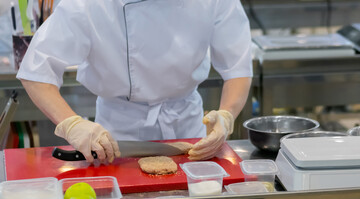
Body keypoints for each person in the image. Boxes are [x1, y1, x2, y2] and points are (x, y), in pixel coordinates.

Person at [17, 0, 253, 164]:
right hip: (115, 137)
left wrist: (226, 115)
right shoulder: (88, 4)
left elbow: (238, 66)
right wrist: (72, 124)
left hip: (191, 133)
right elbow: (36, 70)